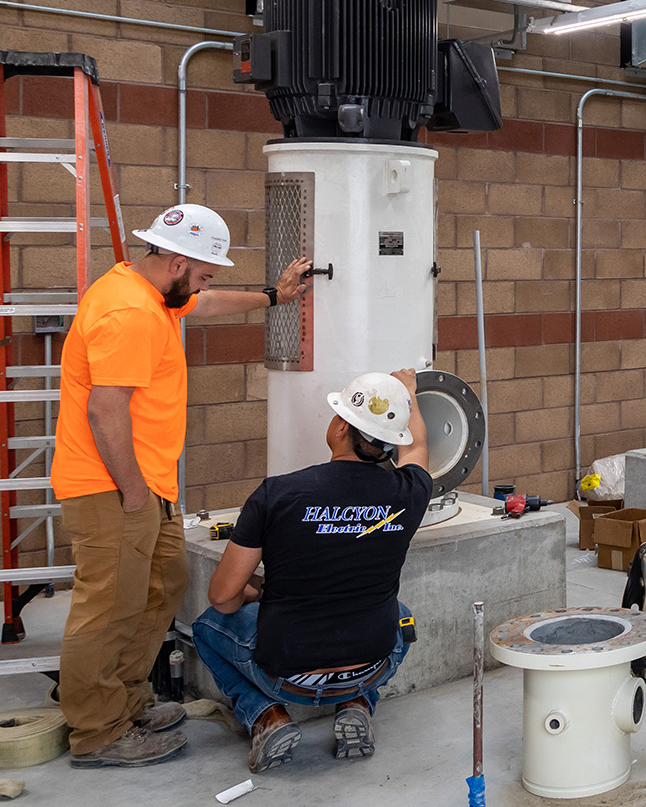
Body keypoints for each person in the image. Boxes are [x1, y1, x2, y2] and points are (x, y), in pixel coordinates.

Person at [55, 204, 311, 768]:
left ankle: (126, 703)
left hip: (146, 483)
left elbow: (208, 302)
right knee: (110, 607)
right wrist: (134, 492)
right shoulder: (129, 314)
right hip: (113, 486)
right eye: (202, 274)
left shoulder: (155, 295)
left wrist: (275, 297)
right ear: (176, 262)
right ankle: (98, 732)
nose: (205, 286)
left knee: (160, 587)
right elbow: (105, 410)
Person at [192, 371, 430, 773]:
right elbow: (420, 444)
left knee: (206, 626)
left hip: (285, 675)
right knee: (400, 615)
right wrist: (409, 396)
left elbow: (222, 596)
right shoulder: (409, 493)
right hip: (371, 665)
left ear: (340, 426)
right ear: (392, 443)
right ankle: (357, 701)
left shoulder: (278, 494)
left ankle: (266, 716)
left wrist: (251, 595)